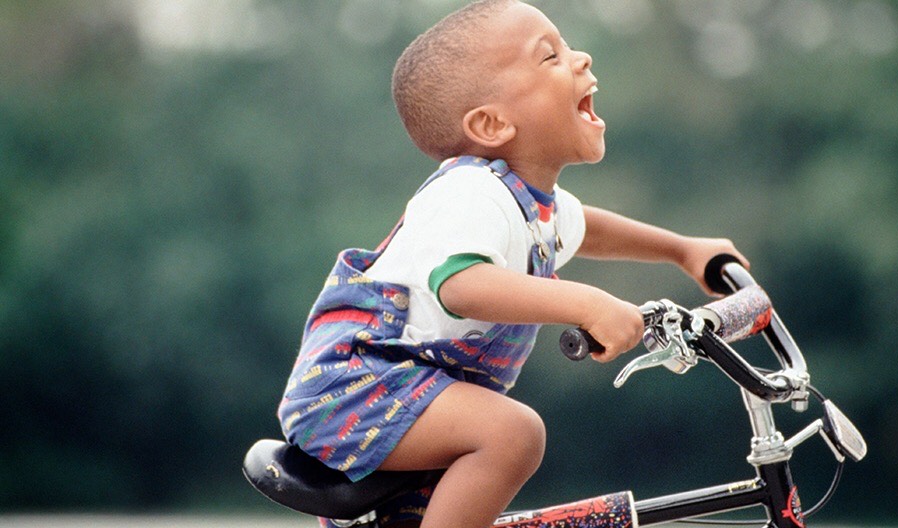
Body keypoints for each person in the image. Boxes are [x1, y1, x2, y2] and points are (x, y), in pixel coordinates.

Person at [277, 1, 749, 527]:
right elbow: (460, 284)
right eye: (550, 56)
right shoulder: (469, 191)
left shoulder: (529, 205)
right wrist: (588, 304)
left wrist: (682, 249)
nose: (580, 57)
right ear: (492, 123)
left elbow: (586, 226)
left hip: (413, 396)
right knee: (513, 434)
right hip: (354, 389)